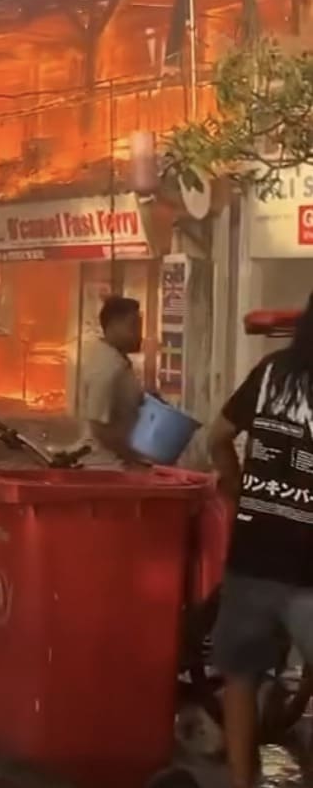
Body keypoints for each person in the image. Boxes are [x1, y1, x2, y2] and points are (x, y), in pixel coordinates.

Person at [208, 292, 313, 788]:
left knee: (241, 677)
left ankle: (240, 781)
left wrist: (237, 487)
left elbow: (217, 436)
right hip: (308, 572)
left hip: (253, 555)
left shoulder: (271, 372)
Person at [79, 295, 145, 466]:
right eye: (133, 326)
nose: (139, 335)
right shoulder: (107, 367)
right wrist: (133, 457)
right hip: (104, 465)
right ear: (113, 326)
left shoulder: (117, 361)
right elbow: (98, 427)